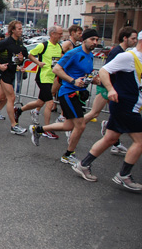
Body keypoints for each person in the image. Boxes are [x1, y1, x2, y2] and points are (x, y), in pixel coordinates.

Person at [70, 31, 142, 191]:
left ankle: (83, 164)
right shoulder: (129, 56)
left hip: (129, 105)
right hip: (125, 105)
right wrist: (110, 89)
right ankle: (124, 175)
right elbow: (103, 71)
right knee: (140, 141)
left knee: (110, 138)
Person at [29, 29, 101, 165]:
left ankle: (38, 130)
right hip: (68, 93)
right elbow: (56, 69)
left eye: (97, 40)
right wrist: (73, 81)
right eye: (92, 39)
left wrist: (93, 79)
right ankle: (68, 154)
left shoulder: (90, 55)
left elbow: (85, 73)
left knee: (68, 126)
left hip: (79, 93)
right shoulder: (74, 53)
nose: (95, 42)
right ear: (84, 40)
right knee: (80, 125)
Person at [83, 26, 137, 154]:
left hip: (113, 88)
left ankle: (114, 141)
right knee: (94, 113)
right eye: (133, 38)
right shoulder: (117, 52)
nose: (135, 41)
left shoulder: (124, 52)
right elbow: (106, 71)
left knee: (117, 115)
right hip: (107, 88)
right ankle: (72, 127)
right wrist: (110, 88)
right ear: (125, 38)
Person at [13, 25, 64, 139]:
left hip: (52, 78)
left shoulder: (59, 47)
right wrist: (38, 62)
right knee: (50, 103)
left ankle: (19, 110)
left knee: (40, 103)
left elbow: (61, 58)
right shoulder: (43, 45)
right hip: (43, 77)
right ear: (52, 34)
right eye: (60, 34)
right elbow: (30, 54)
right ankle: (46, 129)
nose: (61, 36)